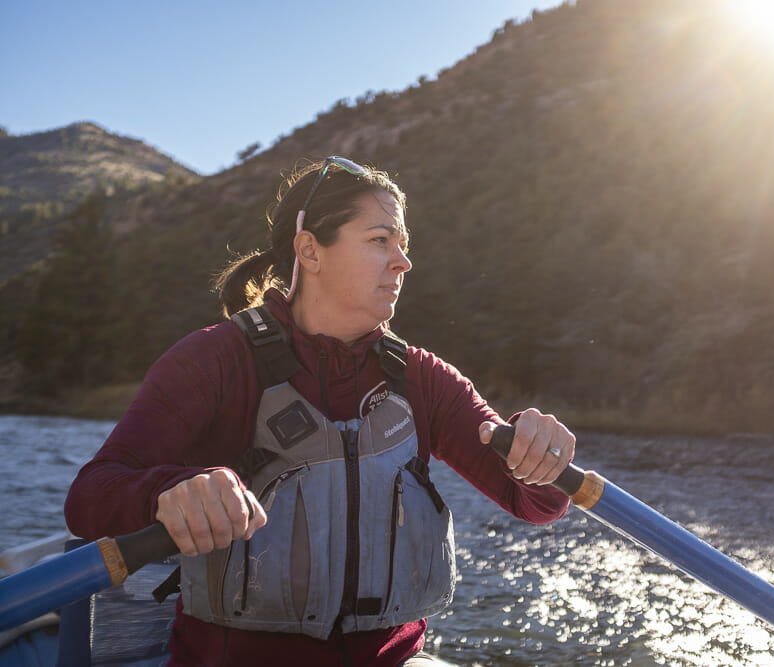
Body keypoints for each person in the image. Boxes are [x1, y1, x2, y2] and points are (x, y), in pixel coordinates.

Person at [64, 156, 576, 666]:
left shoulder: (422, 378)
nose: (403, 262)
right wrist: (168, 491)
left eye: (403, 244)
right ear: (310, 250)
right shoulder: (215, 360)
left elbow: (536, 503)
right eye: (380, 240)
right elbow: (90, 496)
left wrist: (542, 451)